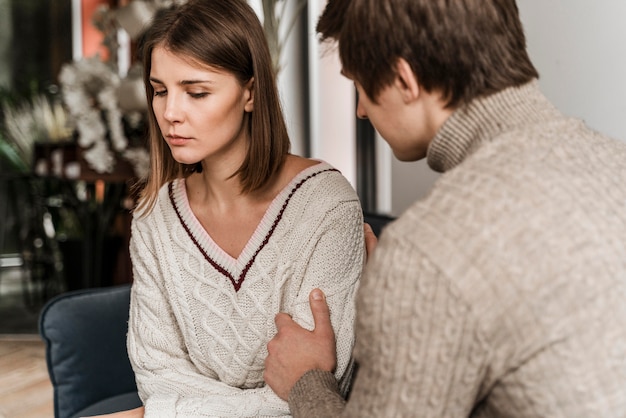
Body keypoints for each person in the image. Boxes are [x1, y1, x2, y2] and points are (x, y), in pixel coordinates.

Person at [263, 0, 626, 416]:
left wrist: (306, 381)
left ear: (404, 80)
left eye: (360, 87)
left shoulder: (427, 253)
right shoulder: (616, 162)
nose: (361, 111)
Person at [94, 0, 365, 416]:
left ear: (250, 93)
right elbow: (157, 378)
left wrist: (171, 410)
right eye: (160, 91)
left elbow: (322, 390)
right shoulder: (155, 217)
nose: (169, 113)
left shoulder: (326, 206)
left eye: (196, 92)